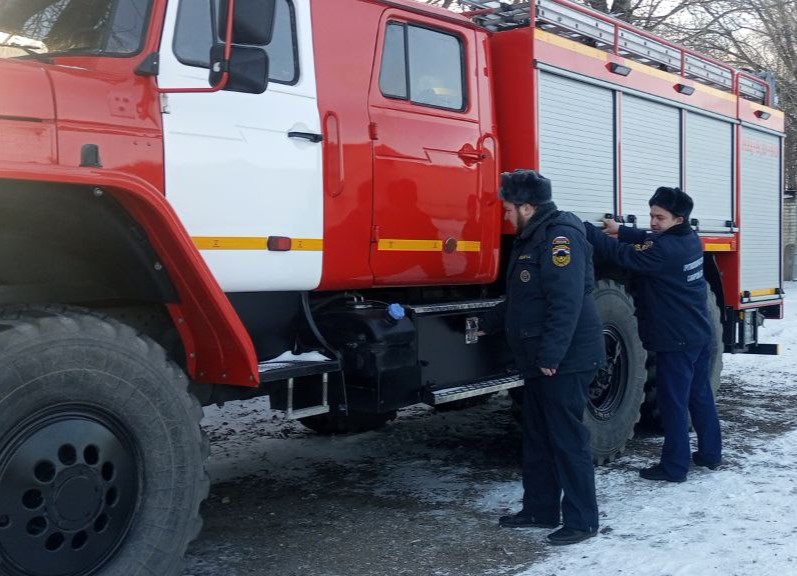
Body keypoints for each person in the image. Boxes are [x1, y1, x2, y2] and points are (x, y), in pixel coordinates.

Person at [480, 169, 605, 546]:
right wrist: (485, 323)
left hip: (564, 359)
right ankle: (540, 509)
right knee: (537, 436)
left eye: (507, 208)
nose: (504, 215)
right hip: (540, 359)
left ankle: (582, 521)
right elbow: (522, 296)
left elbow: (566, 302)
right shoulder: (532, 236)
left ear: (527, 206)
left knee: (567, 440)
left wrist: (552, 354)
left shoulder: (559, 238)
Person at [583, 186, 722, 482]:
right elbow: (650, 238)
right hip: (698, 334)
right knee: (700, 396)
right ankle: (710, 453)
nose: (653, 222)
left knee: (673, 404)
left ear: (678, 218)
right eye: (651, 215)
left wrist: (583, 229)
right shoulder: (690, 240)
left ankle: (674, 468)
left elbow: (620, 255)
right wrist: (622, 229)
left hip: (676, 340)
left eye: (659, 217)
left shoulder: (665, 252)